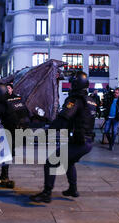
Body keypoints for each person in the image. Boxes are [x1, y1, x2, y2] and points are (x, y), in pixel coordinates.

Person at [30, 71, 96, 203]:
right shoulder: (90, 101)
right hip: (86, 141)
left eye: (72, 84)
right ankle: (73, 189)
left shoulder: (75, 100)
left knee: (51, 162)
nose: (70, 86)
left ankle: (47, 193)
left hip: (79, 142)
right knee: (68, 161)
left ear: (76, 84)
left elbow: (63, 119)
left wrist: (46, 133)